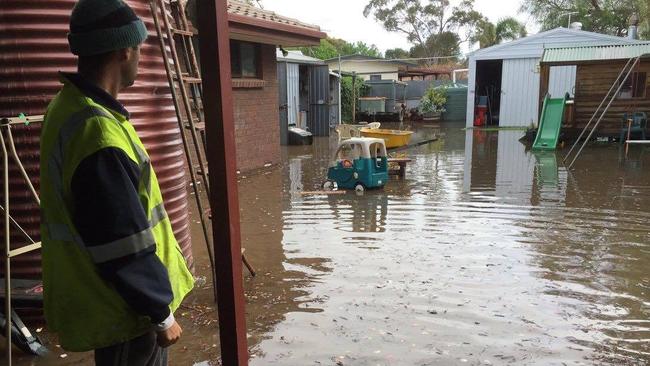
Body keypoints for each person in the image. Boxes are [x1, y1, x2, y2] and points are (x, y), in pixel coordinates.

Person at [39, 0, 194, 364]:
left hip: (109, 299)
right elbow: (120, 240)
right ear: (125, 50)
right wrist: (161, 313)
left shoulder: (68, 107)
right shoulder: (97, 134)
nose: (140, 56)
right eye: (139, 47)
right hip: (126, 313)